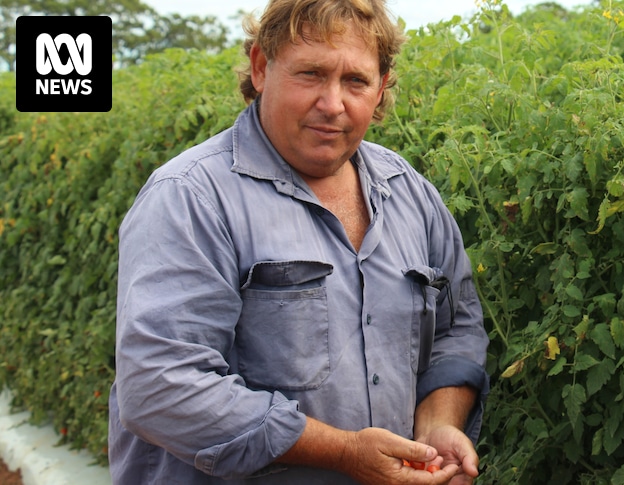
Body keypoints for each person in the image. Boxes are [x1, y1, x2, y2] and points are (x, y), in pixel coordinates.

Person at [107, 0, 490, 483]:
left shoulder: (409, 194)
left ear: (382, 86)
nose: (332, 104)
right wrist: (344, 452)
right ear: (261, 68)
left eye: (356, 81)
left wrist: (438, 421)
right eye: (310, 74)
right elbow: (161, 386)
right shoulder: (191, 197)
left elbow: (457, 329)